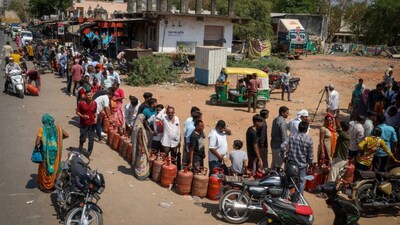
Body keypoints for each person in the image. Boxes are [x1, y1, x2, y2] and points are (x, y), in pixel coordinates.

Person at [35, 114, 69, 192]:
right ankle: (52, 184)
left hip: (45, 155)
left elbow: (37, 143)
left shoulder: (42, 129)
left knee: (45, 169)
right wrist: (58, 137)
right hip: (56, 154)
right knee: (54, 167)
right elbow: (67, 135)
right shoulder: (58, 128)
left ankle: (45, 186)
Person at [281, 121, 313, 194]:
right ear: (306, 129)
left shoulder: (291, 136)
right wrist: (310, 163)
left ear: (298, 128)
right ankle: (299, 198)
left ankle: (285, 197)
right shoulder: (309, 140)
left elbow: (282, 146)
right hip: (302, 165)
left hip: (291, 164)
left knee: (288, 180)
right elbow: (310, 155)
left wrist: (284, 156)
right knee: (301, 182)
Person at [327, 115, 350, 183]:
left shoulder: (344, 135)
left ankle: (329, 190)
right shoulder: (346, 134)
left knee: (332, 175)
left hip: (339, 158)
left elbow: (338, 128)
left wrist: (336, 118)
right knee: (338, 176)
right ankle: (335, 190)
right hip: (342, 159)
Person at [76, 91, 97, 156]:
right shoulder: (81, 103)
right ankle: (80, 146)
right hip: (83, 124)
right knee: (83, 138)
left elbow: (95, 112)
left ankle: (89, 153)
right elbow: (77, 112)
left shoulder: (94, 103)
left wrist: (96, 118)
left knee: (91, 139)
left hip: (92, 124)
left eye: (91, 95)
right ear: (85, 96)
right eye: (88, 95)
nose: (90, 96)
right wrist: (82, 116)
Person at [131, 114, 150, 181]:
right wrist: (142, 148)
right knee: (142, 161)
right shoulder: (140, 128)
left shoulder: (136, 126)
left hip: (137, 147)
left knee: (139, 160)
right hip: (141, 147)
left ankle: (137, 173)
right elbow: (140, 138)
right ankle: (141, 175)